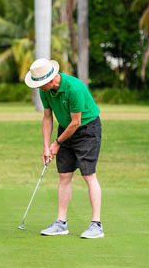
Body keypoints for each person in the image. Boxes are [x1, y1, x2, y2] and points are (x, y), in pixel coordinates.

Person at [24, 58, 104, 239]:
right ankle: (61, 223)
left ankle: (96, 224)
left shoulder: (74, 88)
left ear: (50, 80)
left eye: (39, 84)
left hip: (87, 129)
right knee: (64, 174)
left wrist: (57, 143)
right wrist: (46, 146)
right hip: (65, 129)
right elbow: (47, 117)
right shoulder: (45, 91)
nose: (37, 87)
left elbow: (76, 122)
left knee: (88, 174)